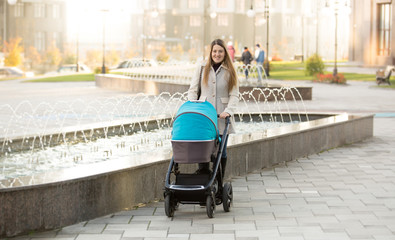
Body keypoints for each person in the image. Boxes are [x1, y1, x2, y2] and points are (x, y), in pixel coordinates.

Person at [188, 38, 239, 178]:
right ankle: (203, 175)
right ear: (211, 52)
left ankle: (219, 179)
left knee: (221, 151)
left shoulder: (230, 70)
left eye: (220, 51)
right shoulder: (202, 67)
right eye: (215, 51)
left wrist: (228, 111)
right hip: (203, 115)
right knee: (202, 148)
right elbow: (193, 90)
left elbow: (234, 95)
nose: (217, 54)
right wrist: (192, 105)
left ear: (225, 53)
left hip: (222, 116)